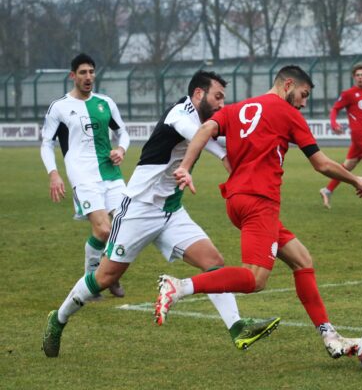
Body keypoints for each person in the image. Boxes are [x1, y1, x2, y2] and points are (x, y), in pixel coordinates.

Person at [42, 70, 280, 358]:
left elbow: (217, 137)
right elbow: (206, 139)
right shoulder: (180, 114)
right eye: (217, 97)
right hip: (139, 210)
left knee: (214, 262)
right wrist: (231, 161)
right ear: (198, 94)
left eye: (223, 99)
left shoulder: (205, 119)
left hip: (171, 211)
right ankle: (58, 319)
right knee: (104, 277)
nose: (221, 104)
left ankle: (237, 327)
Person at [155, 65, 362, 359]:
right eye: (303, 95)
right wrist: (355, 178)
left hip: (237, 200)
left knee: (302, 259)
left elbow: (206, 128)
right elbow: (320, 163)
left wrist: (185, 167)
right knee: (255, 279)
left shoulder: (239, 108)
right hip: (259, 201)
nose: (303, 103)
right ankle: (179, 286)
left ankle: (329, 336)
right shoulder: (287, 113)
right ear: (288, 84)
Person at [41, 53, 128, 298]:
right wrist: (54, 174)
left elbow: (124, 133)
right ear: (73, 76)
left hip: (111, 173)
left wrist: (120, 150)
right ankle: (94, 278)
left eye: (91, 72)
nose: (88, 77)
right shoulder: (59, 107)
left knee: (125, 227)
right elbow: (46, 143)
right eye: (83, 72)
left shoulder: (105, 103)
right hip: (82, 175)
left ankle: (109, 275)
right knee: (103, 230)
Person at [319, 63, 362, 208]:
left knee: (347, 167)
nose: (360, 78)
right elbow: (335, 109)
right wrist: (333, 123)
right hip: (359, 134)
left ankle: (327, 190)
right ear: (353, 77)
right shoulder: (348, 94)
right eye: (357, 75)